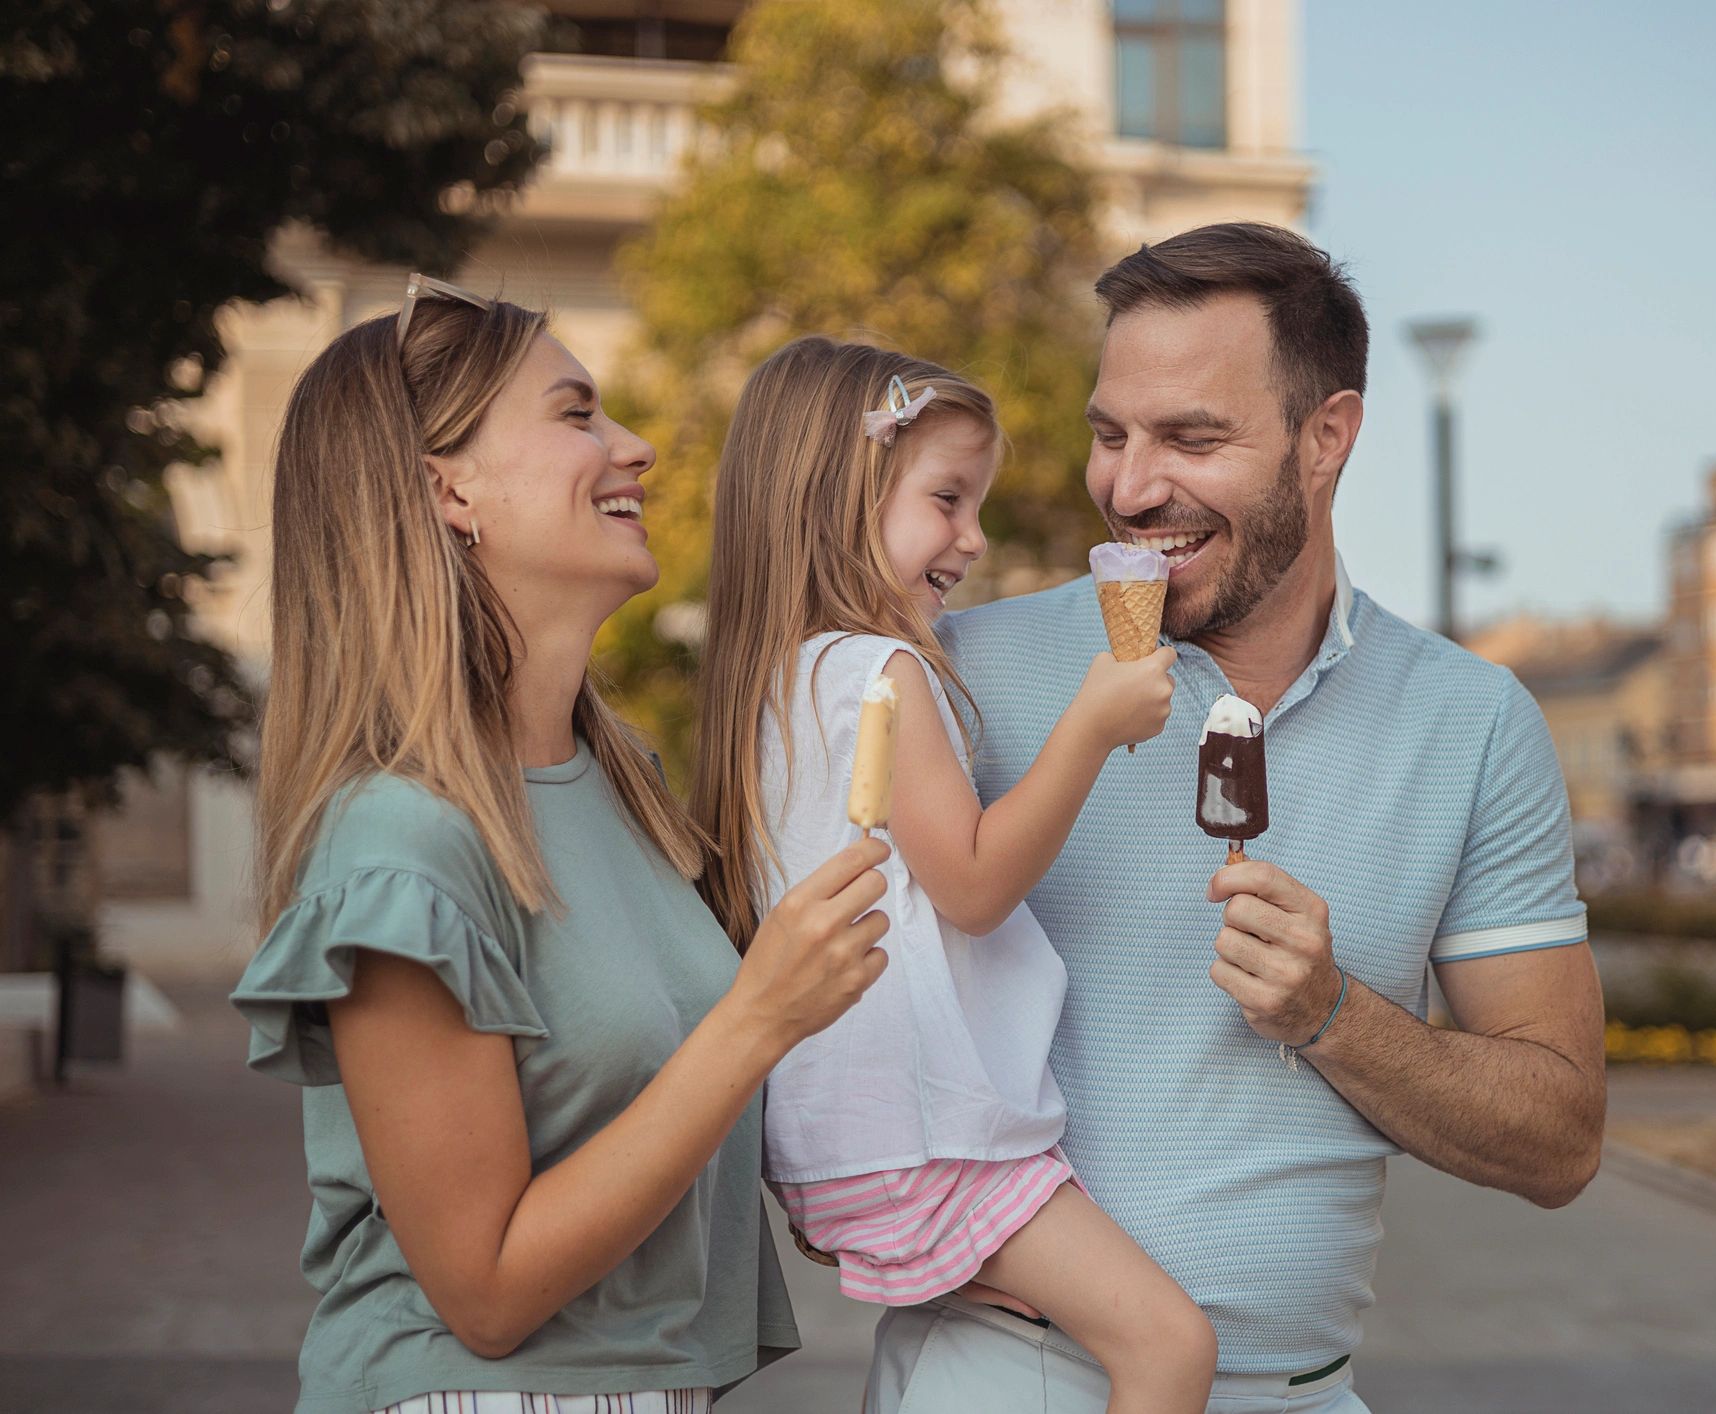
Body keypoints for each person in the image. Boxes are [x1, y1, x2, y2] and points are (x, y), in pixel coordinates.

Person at [870, 223, 1608, 1411]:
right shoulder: (954, 672)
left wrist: (1334, 1013)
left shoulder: (1473, 723)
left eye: (1192, 438)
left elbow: (1560, 1135)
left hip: (1307, 1390)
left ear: (1329, 439)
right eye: (1112, 434)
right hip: (1010, 1378)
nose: (1131, 485)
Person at [230, 279, 892, 1413]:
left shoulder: (620, 780)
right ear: (448, 489)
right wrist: (758, 1018)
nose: (633, 448)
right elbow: (484, 1286)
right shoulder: (402, 838)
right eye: (576, 414)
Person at [690, 335, 1218, 1414]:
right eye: (948, 500)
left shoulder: (776, 679)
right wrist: (1093, 721)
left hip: (840, 1138)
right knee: (1171, 1347)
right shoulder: (879, 671)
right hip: (935, 1137)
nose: (973, 540)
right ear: (843, 497)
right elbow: (974, 884)